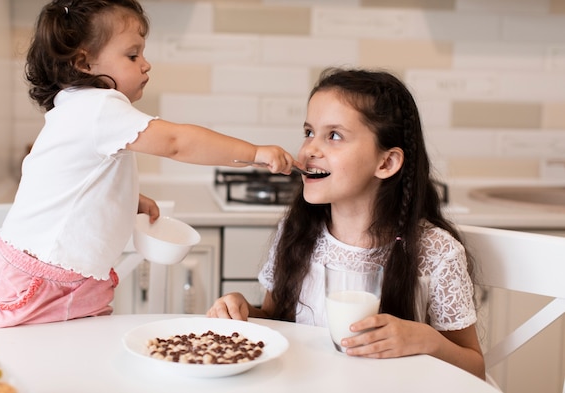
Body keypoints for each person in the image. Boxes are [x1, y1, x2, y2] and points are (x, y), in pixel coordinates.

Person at [0, 0, 296, 330]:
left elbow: (75, 182)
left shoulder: (79, 105)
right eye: (133, 56)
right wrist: (253, 153)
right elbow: (177, 142)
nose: (146, 64)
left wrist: (124, 199)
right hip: (45, 280)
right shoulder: (99, 106)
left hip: (60, 274)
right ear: (84, 62)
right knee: (32, 370)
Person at [207, 68, 486, 379]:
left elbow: (474, 368)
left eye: (334, 136)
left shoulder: (437, 252)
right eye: (309, 132)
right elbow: (274, 319)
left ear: (386, 162)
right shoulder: (297, 232)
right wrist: (242, 309)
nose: (309, 150)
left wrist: (426, 340)